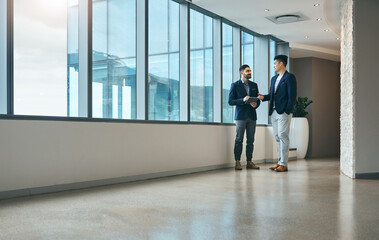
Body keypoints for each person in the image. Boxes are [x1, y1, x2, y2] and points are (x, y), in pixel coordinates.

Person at [257, 55, 297, 172]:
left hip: (283, 112)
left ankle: (284, 164)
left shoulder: (290, 77)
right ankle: (280, 162)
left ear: (281, 64)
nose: (273, 65)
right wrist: (263, 97)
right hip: (274, 111)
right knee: (277, 137)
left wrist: (287, 110)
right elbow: (272, 95)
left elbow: (292, 96)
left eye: (275, 63)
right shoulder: (274, 79)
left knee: (283, 135)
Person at [228, 64, 261, 170]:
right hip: (240, 117)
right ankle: (237, 162)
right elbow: (230, 101)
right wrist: (242, 100)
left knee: (250, 140)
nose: (250, 72)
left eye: (250, 71)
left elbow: (257, 99)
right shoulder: (235, 85)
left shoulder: (254, 85)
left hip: (252, 116)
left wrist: (256, 104)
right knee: (239, 140)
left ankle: (249, 162)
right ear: (241, 73)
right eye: (247, 71)